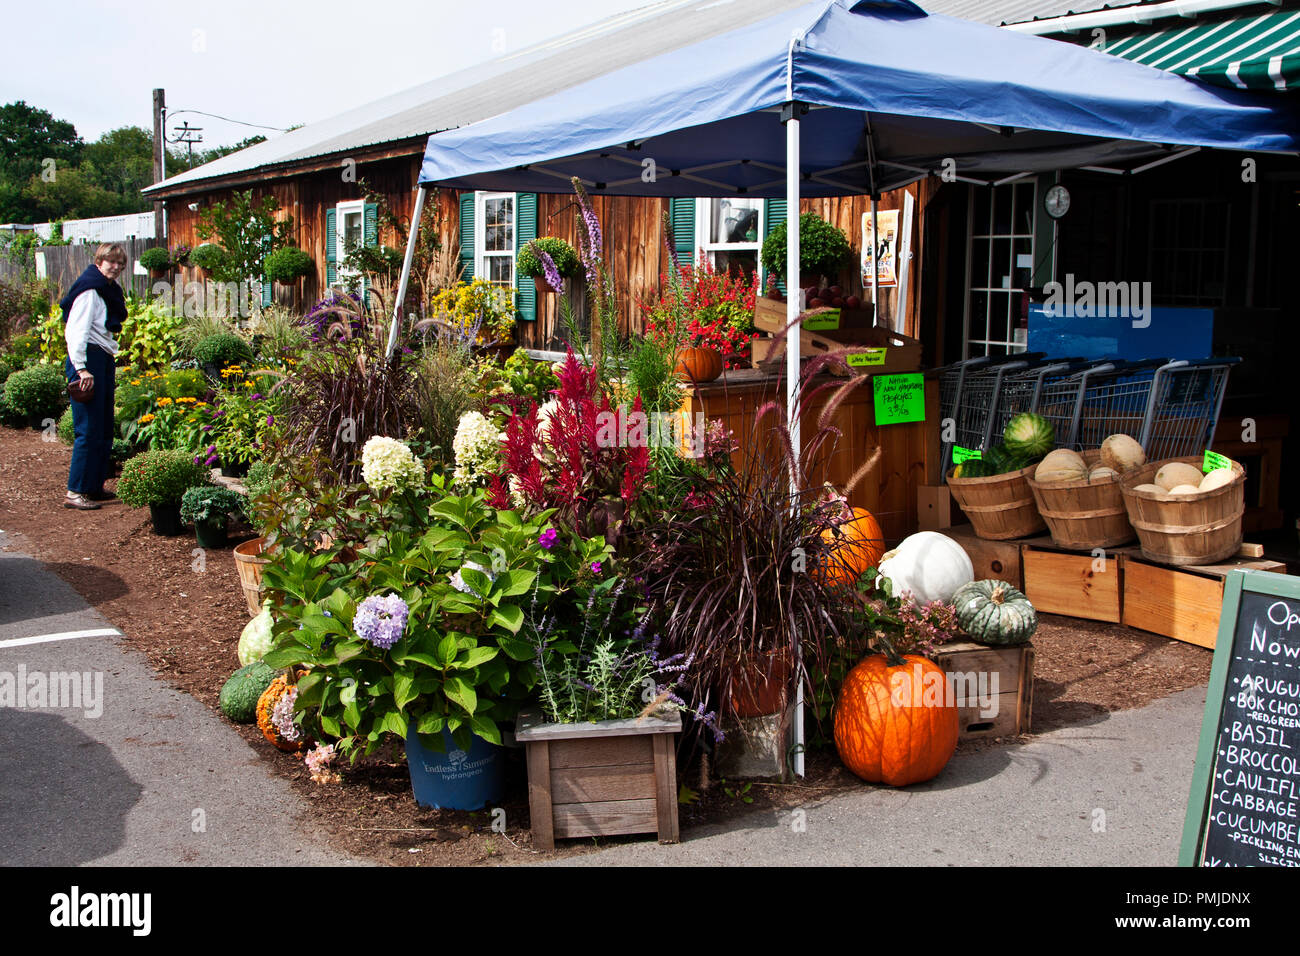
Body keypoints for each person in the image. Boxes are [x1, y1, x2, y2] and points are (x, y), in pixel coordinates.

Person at [62, 243, 127, 510]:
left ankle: (93, 486)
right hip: (87, 359)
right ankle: (75, 491)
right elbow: (75, 331)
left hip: (100, 357)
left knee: (102, 426)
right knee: (87, 429)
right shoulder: (90, 290)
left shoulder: (106, 290)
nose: (115, 267)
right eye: (110, 261)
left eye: (120, 264)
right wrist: (81, 368)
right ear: (98, 261)